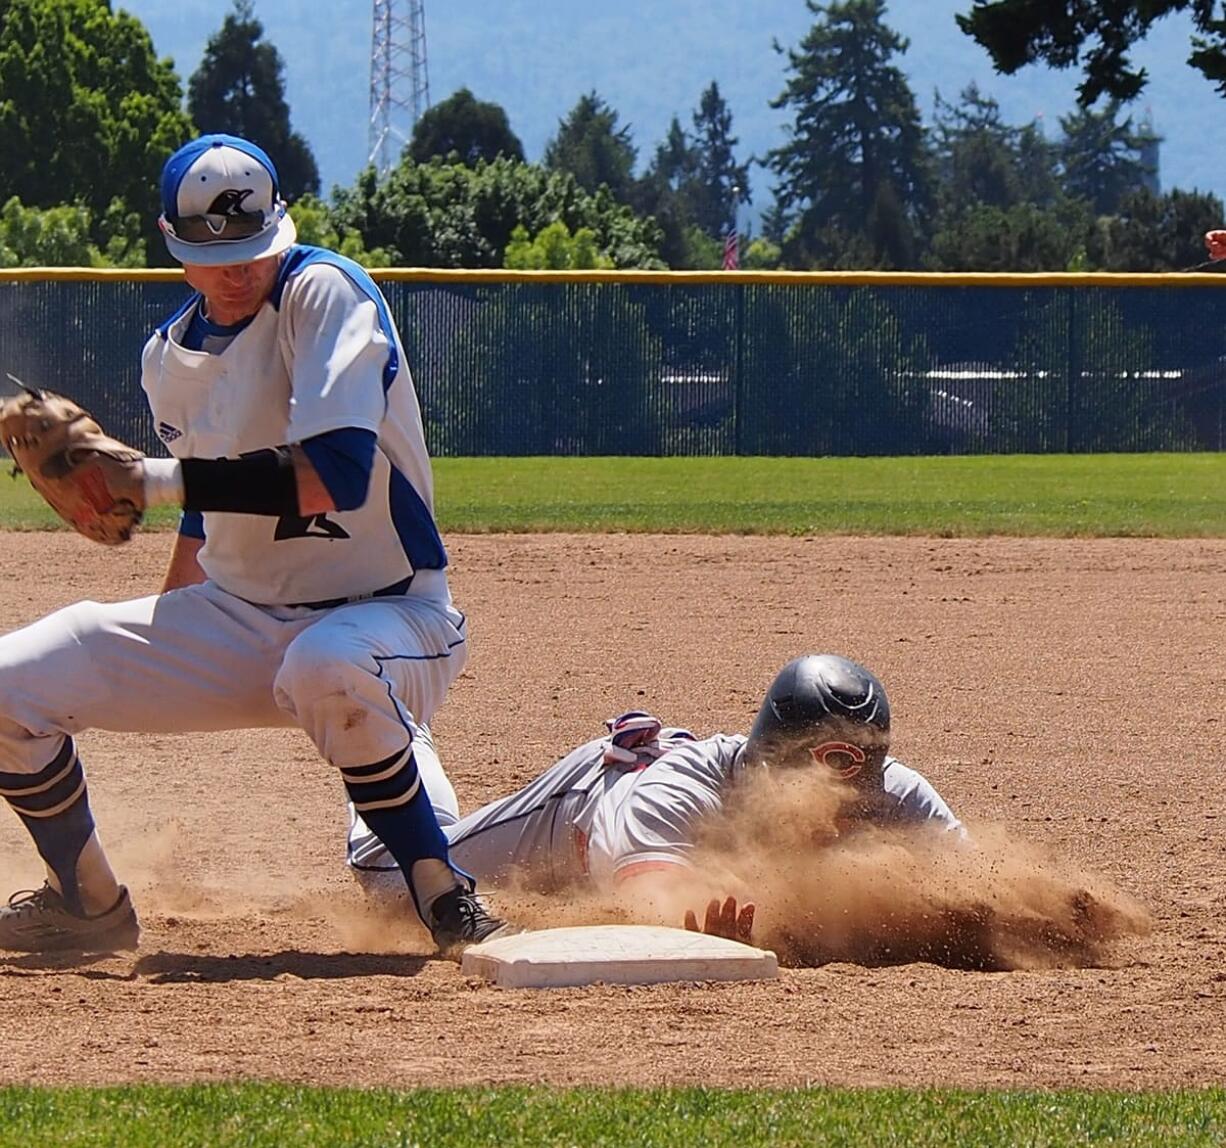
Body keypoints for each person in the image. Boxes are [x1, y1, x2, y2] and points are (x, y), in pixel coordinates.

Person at [0, 133, 509, 955]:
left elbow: (334, 475)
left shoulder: (325, 292)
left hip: (388, 618)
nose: (241, 269)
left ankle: (443, 894)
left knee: (327, 665)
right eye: (219, 254)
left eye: (254, 248)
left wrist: (152, 481)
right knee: (6, 686)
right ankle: (85, 900)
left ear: (282, 226)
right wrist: (163, 635)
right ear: (174, 245)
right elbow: (208, 518)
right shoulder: (166, 358)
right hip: (237, 621)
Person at [347, 653, 964, 940]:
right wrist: (699, 935)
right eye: (824, 791)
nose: (844, 811)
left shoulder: (892, 793)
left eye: (856, 791)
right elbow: (648, 907)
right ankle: (391, 730)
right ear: (773, 768)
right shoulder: (674, 795)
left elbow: (975, 881)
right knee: (392, 873)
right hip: (578, 808)